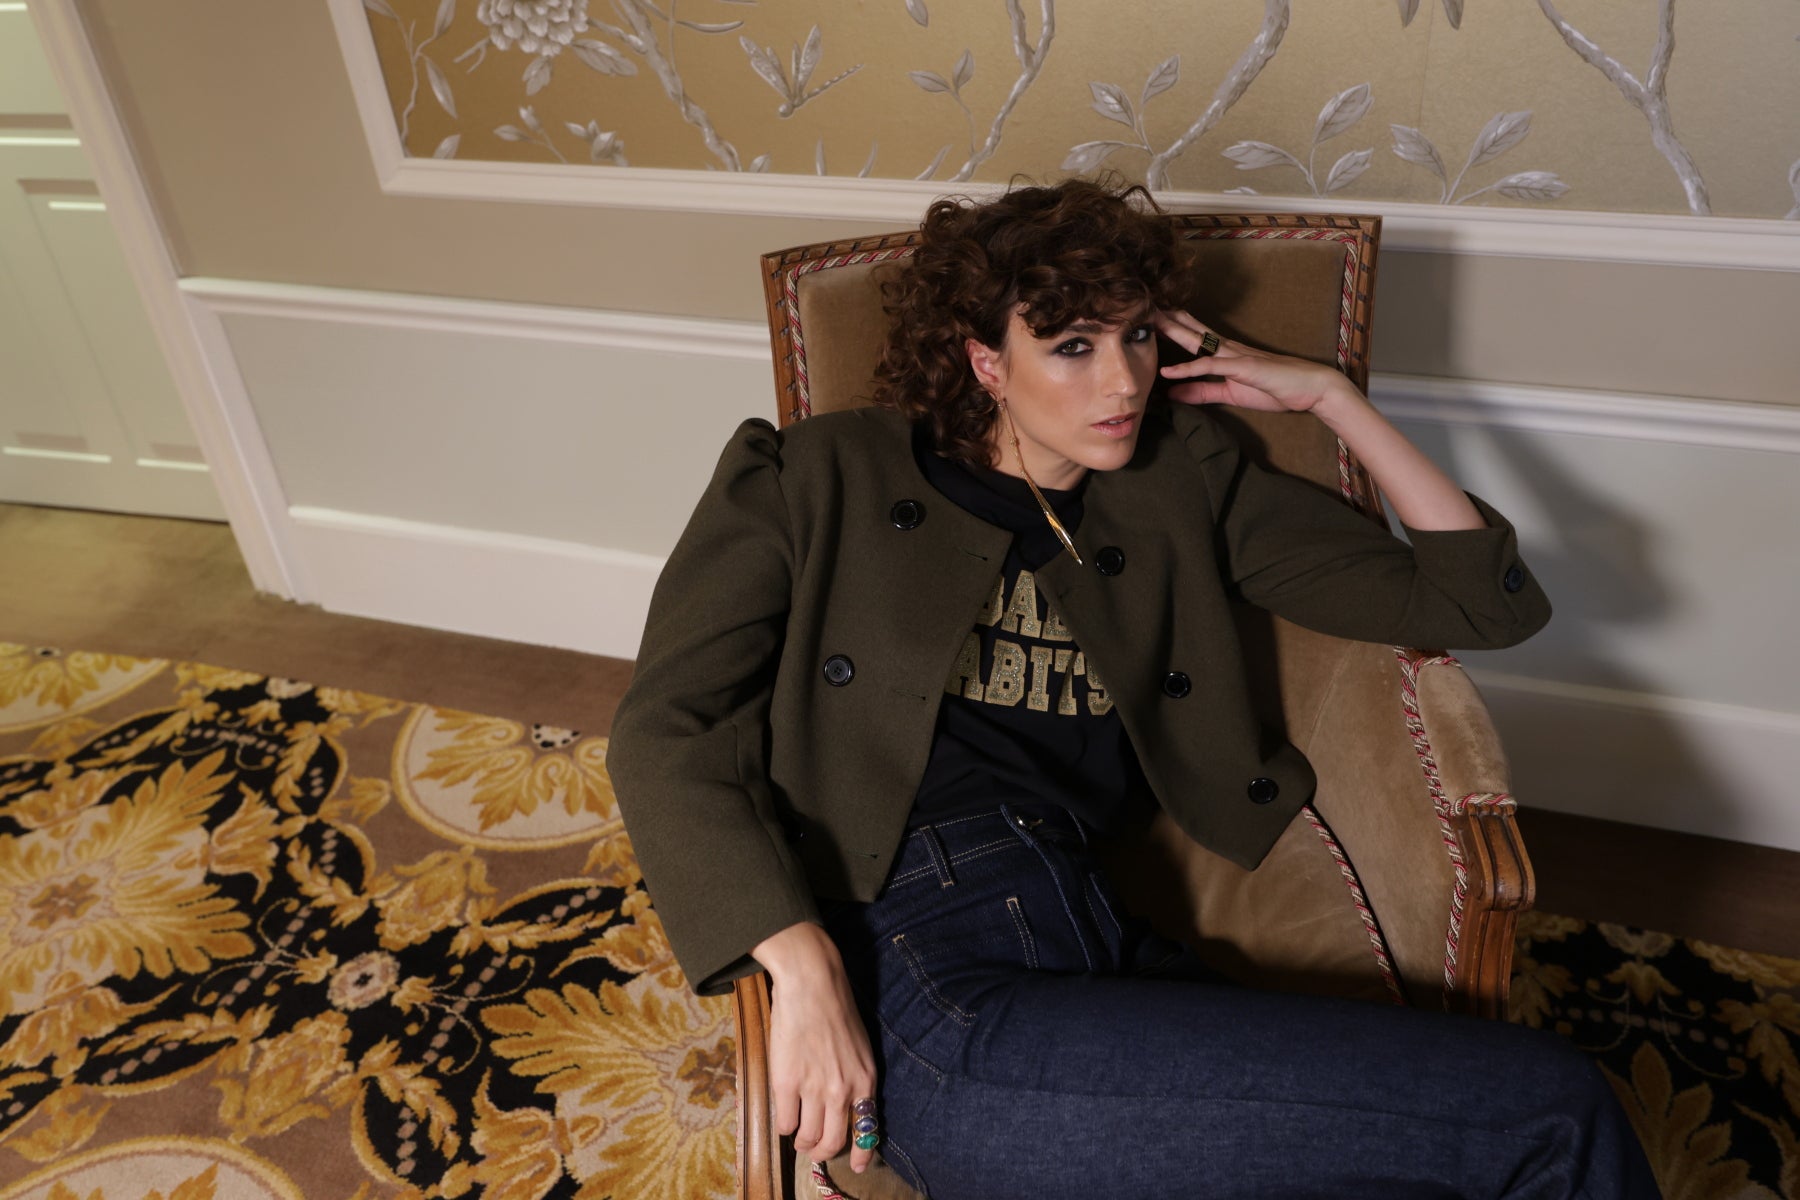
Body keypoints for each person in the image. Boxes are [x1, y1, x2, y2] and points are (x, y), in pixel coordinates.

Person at [608, 178, 1661, 1199]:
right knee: (1549, 1112)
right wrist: (804, 967)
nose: (1123, 383)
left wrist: (1328, 397)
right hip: (919, 956)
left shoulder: (1178, 481)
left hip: (1098, 927)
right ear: (985, 360)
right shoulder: (812, 475)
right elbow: (666, 730)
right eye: (1073, 346)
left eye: (1140, 337)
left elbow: (1479, 605)